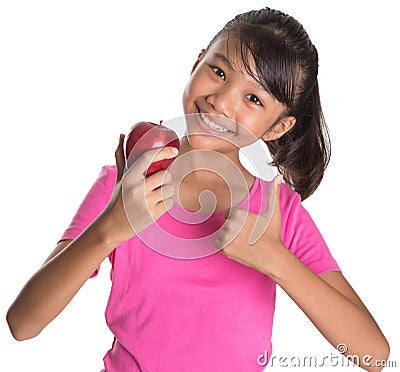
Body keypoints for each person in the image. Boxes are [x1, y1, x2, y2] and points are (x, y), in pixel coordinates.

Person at [6, 7, 389, 372]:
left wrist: (275, 259)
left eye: (253, 98)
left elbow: (373, 356)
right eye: (219, 72)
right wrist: (112, 227)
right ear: (196, 63)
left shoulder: (276, 213)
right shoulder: (127, 183)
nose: (221, 101)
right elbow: (23, 324)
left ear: (277, 128)